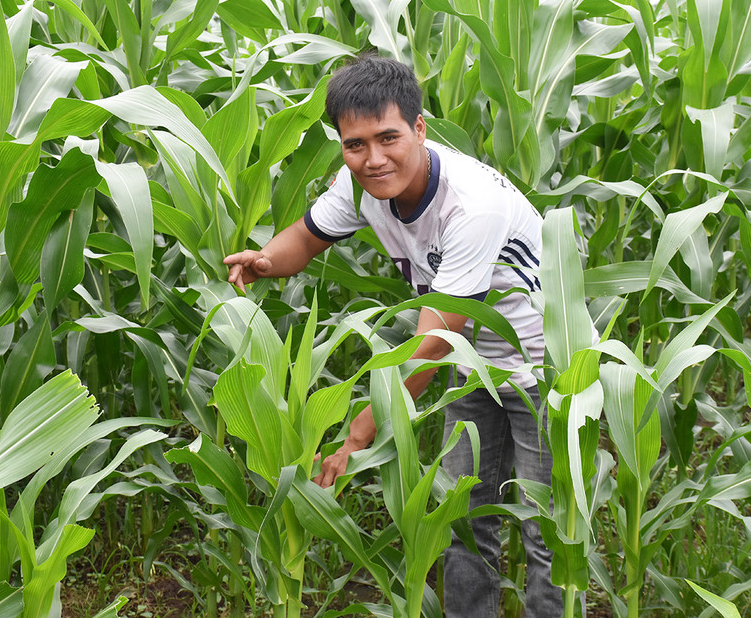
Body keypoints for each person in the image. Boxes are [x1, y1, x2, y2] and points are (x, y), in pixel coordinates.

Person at [224, 54, 562, 618]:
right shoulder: (361, 186)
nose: (374, 159)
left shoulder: (471, 207)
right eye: (355, 145)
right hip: (473, 371)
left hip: (544, 370)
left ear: (419, 128)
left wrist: (357, 435)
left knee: (548, 531)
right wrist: (264, 262)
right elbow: (304, 239)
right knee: (461, 519)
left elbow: (432, 345)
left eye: (388, 138)